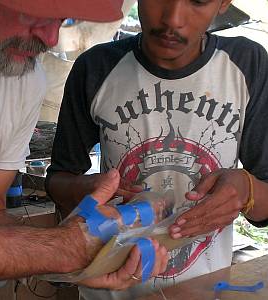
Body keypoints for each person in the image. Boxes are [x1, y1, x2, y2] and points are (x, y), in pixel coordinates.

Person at [0, 0, 169, 299]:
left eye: (63, 19)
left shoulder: (22, 80)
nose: (51, 38)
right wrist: (60, 249)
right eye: (35, 13)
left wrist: (77, 253)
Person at [46, 0, 268, 299]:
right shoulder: (96, 67)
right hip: (110, 291)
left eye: (198, 1)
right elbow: (58, 179)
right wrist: (90, 189)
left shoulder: (247, 64)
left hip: (202, 292)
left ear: (224, 3)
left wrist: (247, 189)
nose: (172, 19)